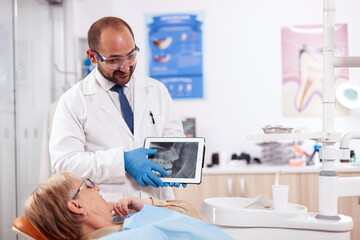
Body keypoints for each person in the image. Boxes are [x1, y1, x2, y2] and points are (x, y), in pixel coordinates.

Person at [49, 16, 185, 202]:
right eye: (114, 60)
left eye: (131, 55)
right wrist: (122, 161)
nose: (125, 67)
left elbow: (175, 137)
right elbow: (64, 164)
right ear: (92, 56)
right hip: (108, 210)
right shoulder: (73, 101)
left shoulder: (156, 90)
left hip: (156, 203)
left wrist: (176, 164)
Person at [24, 172, 232, 240]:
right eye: (87, 185)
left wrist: (146, 206)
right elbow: (195, 223)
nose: (96, 188)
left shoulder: (125, 226)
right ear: (77, 207)